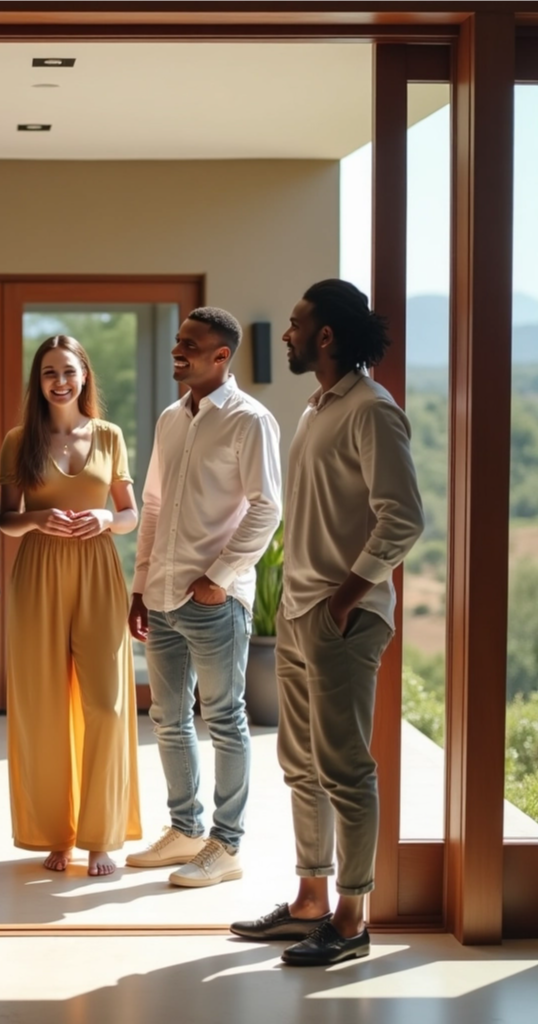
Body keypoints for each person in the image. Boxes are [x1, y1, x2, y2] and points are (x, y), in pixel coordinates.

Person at [230, 280, 424, 966]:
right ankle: (310, 900)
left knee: (344, 768)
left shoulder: (371, 410)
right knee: (301, 764)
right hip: (300, 613)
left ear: (327, 335)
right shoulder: (317, 408)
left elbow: (403, 515)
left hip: (342, 619)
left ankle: (352, 918)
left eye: (295, 324)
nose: (286, 334)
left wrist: (346, 598)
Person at [127, 307, 282, 888]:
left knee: (224, 718)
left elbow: (268, 507)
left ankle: (226, 844)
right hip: (163, 596)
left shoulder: (250, 420)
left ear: (222, 356)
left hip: (214, 601)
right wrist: (140, 586)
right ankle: (185, 830)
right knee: (169, 717)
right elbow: (156, 507)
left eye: (191, 345)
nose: (179, 351)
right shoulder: (173, 418)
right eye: (177, 342)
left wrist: (218, 576)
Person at [0, 335, 142, 876]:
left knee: (105, 704)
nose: (59, 381)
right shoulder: (19, 440)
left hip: (99, 571)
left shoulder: (109, 436)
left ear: (84, 375)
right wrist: (36, 519)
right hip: (38, 573)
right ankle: (57, 834)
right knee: (45, 707)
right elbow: (4, 518)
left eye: (68, 370)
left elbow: (129, 514)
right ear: (38, 382)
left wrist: (108, 519)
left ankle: (100, 836)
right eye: (48, 373)